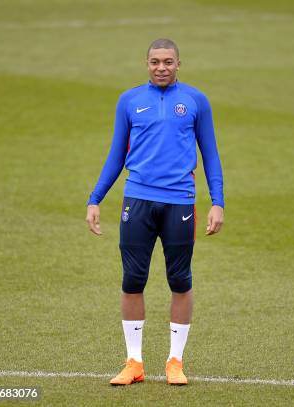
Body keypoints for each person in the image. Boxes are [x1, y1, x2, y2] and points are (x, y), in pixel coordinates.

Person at [85, 38, 224, 386]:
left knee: (180, 280)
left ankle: (175, 362)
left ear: (179, 64)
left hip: (181, 201)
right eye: (154, 62)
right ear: (146, 64)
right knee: (132, 280)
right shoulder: (129, 101)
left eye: (168, 61)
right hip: (138, 199)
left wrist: (217, 202)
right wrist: (95, 198)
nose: (161, 67)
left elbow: (211, 154)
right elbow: (116, 154)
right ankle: (134, 362)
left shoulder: (196, 101)